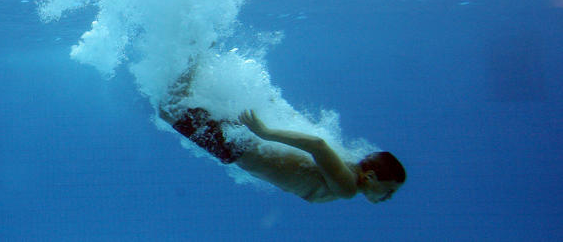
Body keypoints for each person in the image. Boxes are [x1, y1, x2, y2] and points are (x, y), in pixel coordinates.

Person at [158, 66, 406, 203]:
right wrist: (264, 132)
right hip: (240, 147)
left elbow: (311, 136)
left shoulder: (348, 162)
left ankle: (197, 50)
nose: (388, 197)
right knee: (170, 108)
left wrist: (276, 109)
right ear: (371, 176)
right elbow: (317, 145)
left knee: (181, 103)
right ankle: (196, 46)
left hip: (242, 145)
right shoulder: (348, 187)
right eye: (389, 190)